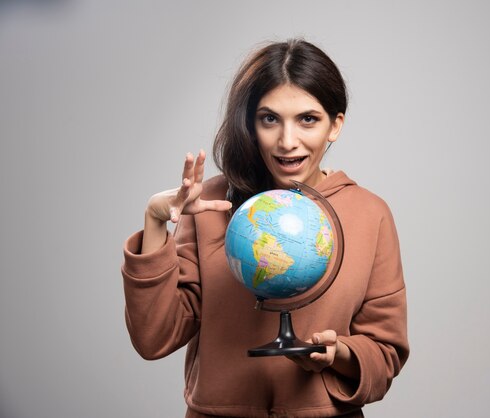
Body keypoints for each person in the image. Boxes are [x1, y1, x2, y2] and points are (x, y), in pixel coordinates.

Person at [122, 39, 409, 418]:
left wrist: (339, 354)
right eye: (270, 119)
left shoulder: (370, 214)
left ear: (335, 125)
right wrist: (155, 221)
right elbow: (153, 338)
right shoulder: (210, 203)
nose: (287, 142)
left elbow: (386, 353)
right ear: (252, 124)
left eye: (308, 119)